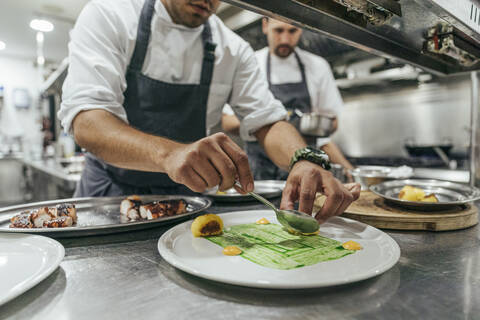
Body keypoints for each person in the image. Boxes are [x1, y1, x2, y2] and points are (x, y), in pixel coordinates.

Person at [59, 0, 360, 222]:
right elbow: (88, 121)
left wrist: (302, 159)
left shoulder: (233, 49)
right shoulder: (110, 15)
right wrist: (168, 154)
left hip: (188, 202)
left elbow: (267, 121)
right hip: (109, 195)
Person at [222, 18, 354, 180]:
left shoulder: (317, 66)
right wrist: (277, 122)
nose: (285, 39)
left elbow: (332, 123)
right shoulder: (251, 63)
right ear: (265, 26)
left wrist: (303, 125)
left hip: (307, 166)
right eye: (278, 31)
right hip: (260, 172)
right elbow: (228, 122)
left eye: (293, 31)